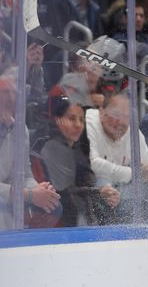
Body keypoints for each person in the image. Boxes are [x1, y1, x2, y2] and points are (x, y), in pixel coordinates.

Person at [0, 65, 61, 229]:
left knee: (54, 207)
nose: (11, 98)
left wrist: (40, 190)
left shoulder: (20, 128)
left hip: (9, 198)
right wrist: (29, 195)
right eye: (5, 92)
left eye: (14, 92)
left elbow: (24, 175)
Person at [39, 96, 119, 227]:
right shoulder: (53, 147)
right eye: (71, 119)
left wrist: (104, 192)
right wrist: (98, 192)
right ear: (58, 120)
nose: (78, 125)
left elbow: (87, 182)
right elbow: (65, 193)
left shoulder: (77, 148)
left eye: (81, 120)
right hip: (65, 222)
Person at [87, 91, 148, 224]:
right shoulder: (90, 121)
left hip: (122, 186)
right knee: (103, 181)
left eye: (126, 116)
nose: (121, 122)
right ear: (101, 112)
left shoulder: (131, 130)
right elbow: (92, 163)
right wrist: (135, 173)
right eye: (115, 114)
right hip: (92, 186)